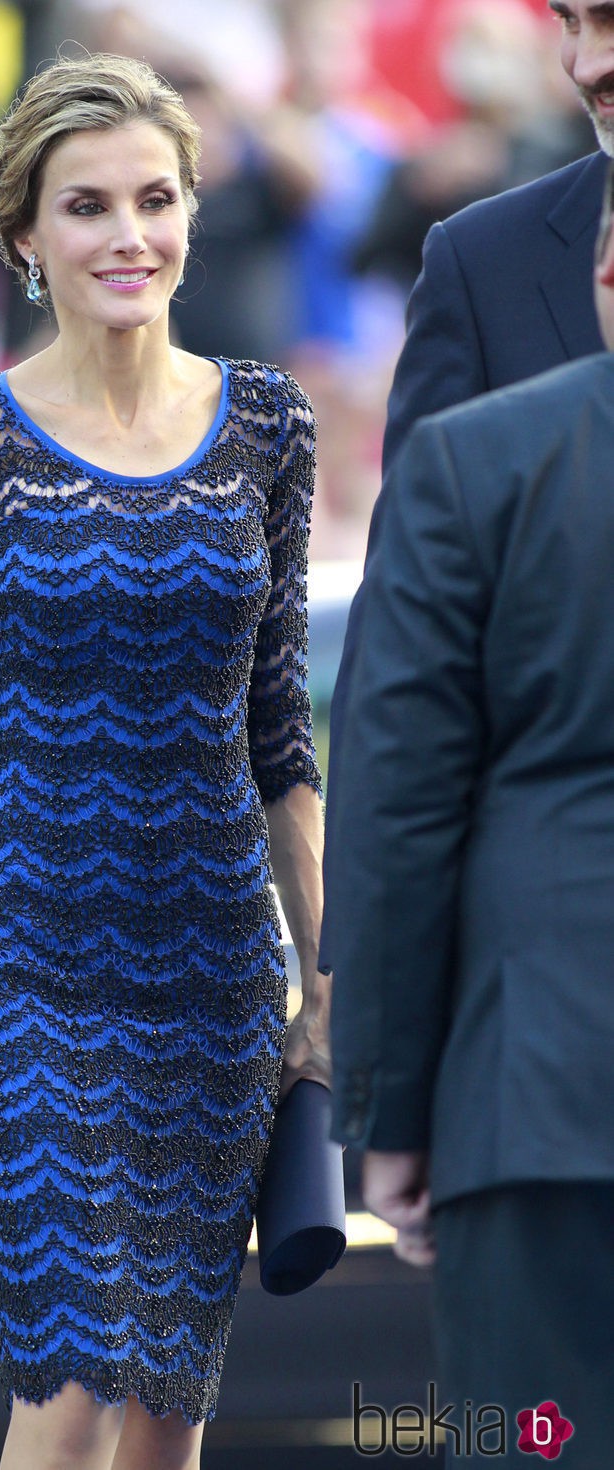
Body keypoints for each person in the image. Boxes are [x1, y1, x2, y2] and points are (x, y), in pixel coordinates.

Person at [0, 51, 329, 1470]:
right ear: (25, 238)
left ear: (192, 212)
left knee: (166, 1414)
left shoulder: (269, 424)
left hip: (214, 981)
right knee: (69, 1379)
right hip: (26, 964)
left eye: (155, 199)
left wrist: (329, 979)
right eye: (87, 208)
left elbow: (281, 741)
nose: (128, 236)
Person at [326, 162, 614, 1465]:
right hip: (536, 1099)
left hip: (541, 1097)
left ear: (601, 274)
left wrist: (388, 1105)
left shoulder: (479, 462)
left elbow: (399, 793)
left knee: (533, 1441)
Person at [320, 0, 614, 972]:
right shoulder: (488, 266)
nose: (582, 62)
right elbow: (401, 670)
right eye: (566, 21)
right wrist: (371, 1039)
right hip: (553, 997)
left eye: (608, 18)